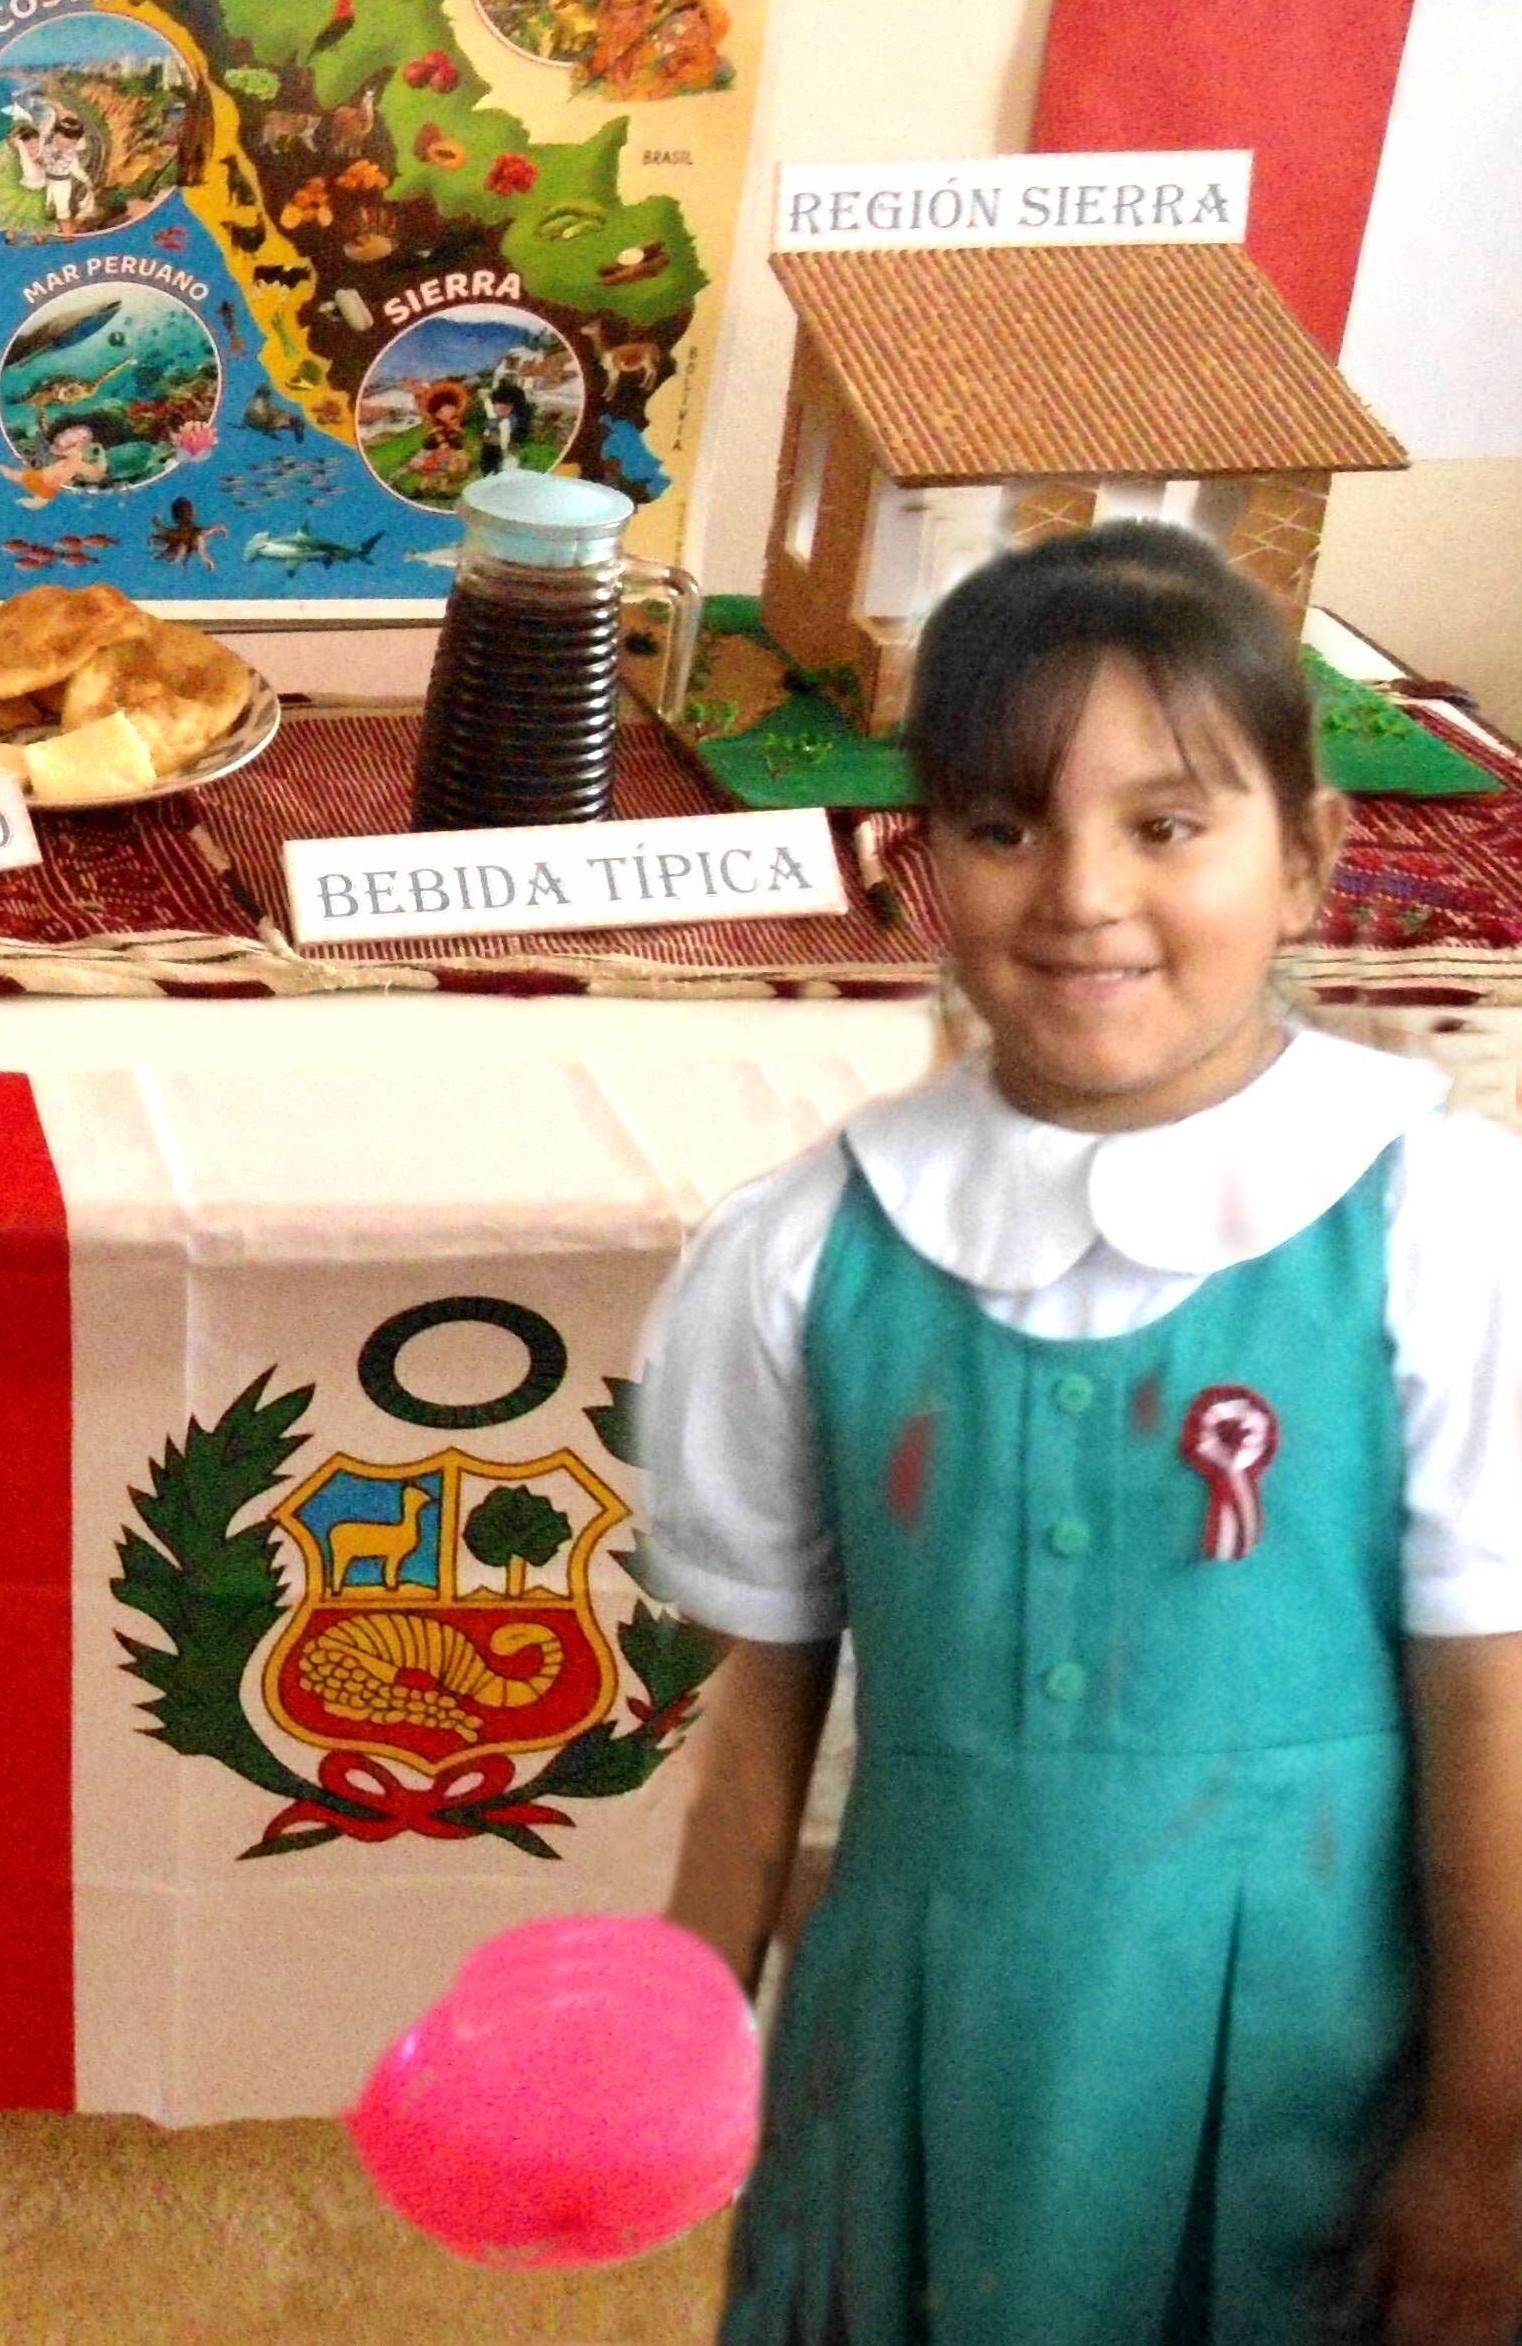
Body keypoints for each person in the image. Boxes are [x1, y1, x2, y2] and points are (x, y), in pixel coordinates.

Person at [640, 523, 1522, 2345]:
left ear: (1310, 857)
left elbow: (1494, 1710)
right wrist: (671, 2046)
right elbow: (753, 1723)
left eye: (1168, 824)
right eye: (1005, 826)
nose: (1084, 895)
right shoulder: (807, 1249)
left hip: (1316, 2065)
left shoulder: (1440, 1230)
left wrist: (1487, 2140)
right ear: (919, 867)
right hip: (920, 2038)